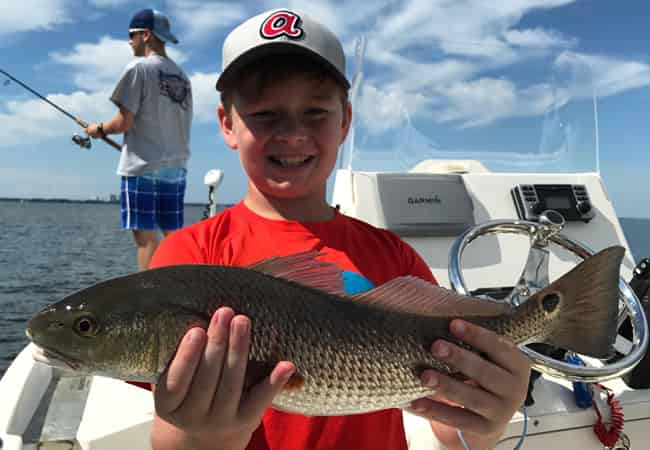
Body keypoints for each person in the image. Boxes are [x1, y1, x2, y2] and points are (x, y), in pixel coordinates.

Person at [145, 8, 531, 450]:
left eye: (315, 113)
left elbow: (453, 426)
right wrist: (205, 438)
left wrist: (490, 416)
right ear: (227, 123)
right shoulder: (190, 255)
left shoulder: (394, 256)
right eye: (265, 114)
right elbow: (169, 437)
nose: (292, 133)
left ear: (345, 121)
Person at [86, 9, 193, 271]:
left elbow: (124, 122)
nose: (129, 41)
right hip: (176, 169)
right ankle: (181, 285)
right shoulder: (183, 77)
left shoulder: (138, 69)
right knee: (173, 236)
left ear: (146, 35)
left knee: (145, 240)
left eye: (132, 35)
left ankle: (149, 297)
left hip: (141, 168)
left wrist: (98, 129)